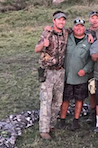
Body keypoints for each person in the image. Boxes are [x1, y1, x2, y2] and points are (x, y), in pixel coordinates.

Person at [34, 11, 69, 140]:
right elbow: (36, 49)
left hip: (60, 71)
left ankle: (52, 124)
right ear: (54, 21)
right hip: (48, 72)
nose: (61, 22)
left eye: (63, 20)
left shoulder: (65, 33)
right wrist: (44, 44)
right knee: (46, 101)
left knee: (57, 101)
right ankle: (44, 130)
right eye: (59, 20)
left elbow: (79, 31)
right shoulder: (47, 33)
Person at [57, 17, 94, 131]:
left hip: (81, 77)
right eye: (76, 26)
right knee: (65, 99)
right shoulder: (67, 37)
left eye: (81, 26)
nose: (79, 28)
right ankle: (62, 120)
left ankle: (76, 121)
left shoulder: (89, 41)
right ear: (73, 27)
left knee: (79, 99)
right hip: (67, 76)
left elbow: (91, 59)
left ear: (84, 28)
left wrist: (85, 69)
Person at [85, 10, 98, 125]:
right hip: (89, 65)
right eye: (92, 18)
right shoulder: (84, 31)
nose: (95, 20)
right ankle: (92, 113)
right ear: (89, 19)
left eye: (97, 18)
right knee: (92, 90)